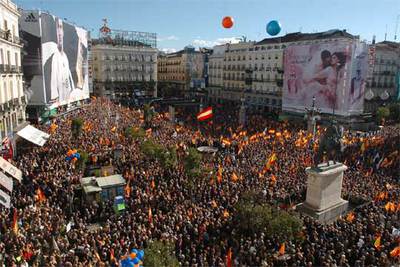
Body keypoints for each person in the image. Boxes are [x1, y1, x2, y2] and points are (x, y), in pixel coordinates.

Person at [48, 18, 75, 104]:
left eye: (61, 27)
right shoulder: (54, 55)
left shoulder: (65, 56)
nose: (59, 33)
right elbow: (53, 83)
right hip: (60, 100)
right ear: (55, 32)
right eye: (57, 28)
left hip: (67, 97)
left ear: (63, 32)